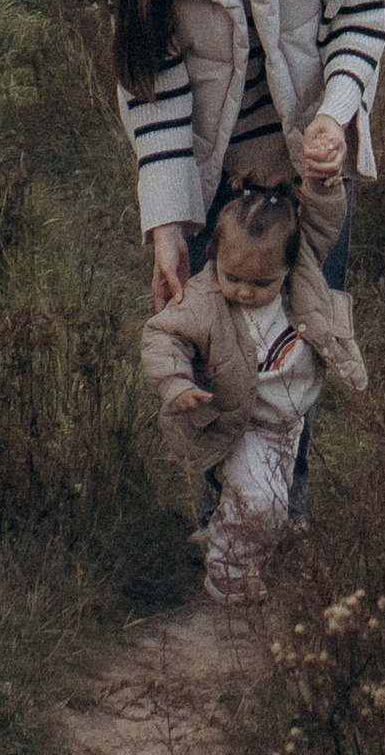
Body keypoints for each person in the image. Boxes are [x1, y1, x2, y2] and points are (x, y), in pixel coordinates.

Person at [93, 0, 385, 509]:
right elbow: (149, 85)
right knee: (216, 360)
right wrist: (167, 226)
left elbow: (358, 11)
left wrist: (337, 112)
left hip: (306, 174)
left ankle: (289, 512)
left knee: (300, 347)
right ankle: (222, 527)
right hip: (207, 180)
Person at [140, 169, 366, 600]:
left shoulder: (303, 272)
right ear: (214, 256)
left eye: (262, 283)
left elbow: (325, 220)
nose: (244, 291)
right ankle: (229, 574)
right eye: (234, 278)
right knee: (259, 502)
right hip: (244, 422)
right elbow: (161, 335)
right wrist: (176, 384)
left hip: (288, 421)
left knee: (273, 504)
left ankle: (227, 535)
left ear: (288, 265)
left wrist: (322, 183)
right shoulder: (206, 300)